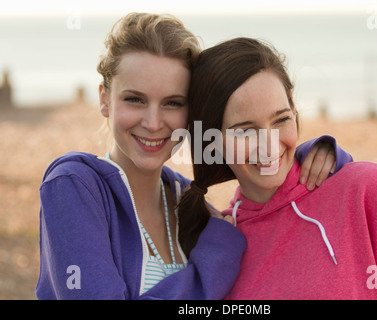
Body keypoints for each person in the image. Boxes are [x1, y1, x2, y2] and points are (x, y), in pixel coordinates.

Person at [36, 13, 351, 300]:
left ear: (194, 114)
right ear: (104, 98)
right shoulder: (74, 185)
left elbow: (272, 201)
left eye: (173, 103)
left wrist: (313, 156)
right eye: (135, 99)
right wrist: (214, 257)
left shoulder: (189, 200)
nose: (153, 122)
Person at [178, 37, 377, 299]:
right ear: (211, 140)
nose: (269, 148)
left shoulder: (368, 190)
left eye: (281, 119)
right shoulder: (218, 249)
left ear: (293, 106)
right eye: (246, 130)